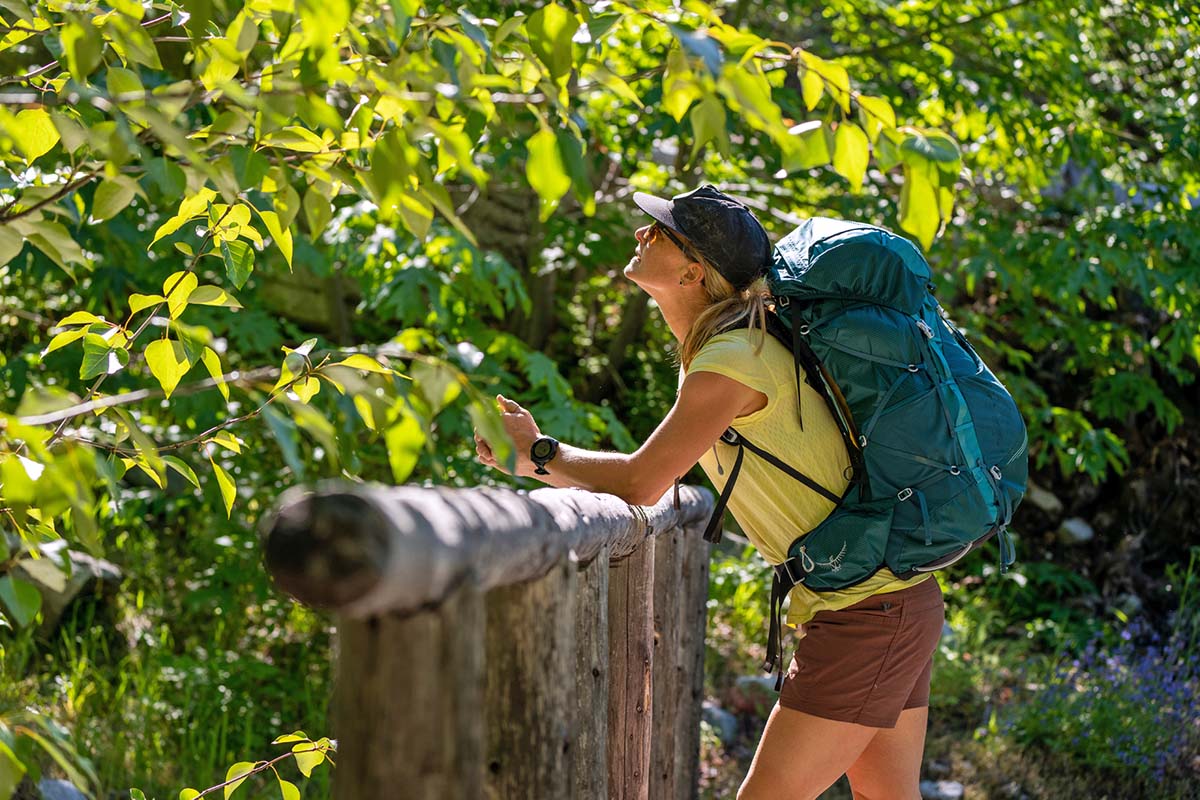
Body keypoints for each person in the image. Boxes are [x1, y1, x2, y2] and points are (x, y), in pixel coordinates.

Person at [473, 184, 945, 800]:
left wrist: (540, 452)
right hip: (893, 604)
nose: (641, 233)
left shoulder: (734, 358)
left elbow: (645, 480)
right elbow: (658, 471)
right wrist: (539, 462)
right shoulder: (738, 349)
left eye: (660, 231)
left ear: (694, 271)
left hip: (868, 615)